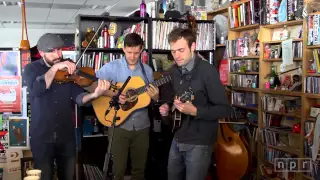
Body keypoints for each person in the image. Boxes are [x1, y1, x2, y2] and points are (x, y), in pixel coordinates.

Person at [23, 33, 110, 180]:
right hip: (42, 137)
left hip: (66, 136)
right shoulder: (31, 69)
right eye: (53, 51)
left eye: (60, 49)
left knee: (68, 176)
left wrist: (95, 94)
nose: (59, 54)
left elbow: (79, 98)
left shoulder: (69, 70)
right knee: (45, 177)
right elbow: (37, 90)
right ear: (42, 52)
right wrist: (55, 68)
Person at [159, 28, 232, 180]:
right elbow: (174, 100)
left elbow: (225, 110)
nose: (176, 56)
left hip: (200, 142)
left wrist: (196, 111)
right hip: (178, 138)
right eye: (173, 51)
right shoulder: (173, 71)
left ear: (193, 47)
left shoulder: (208, 71)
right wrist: (168, 109)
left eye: (181, 50)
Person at [95, 33, 159, 180]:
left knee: (139, 169)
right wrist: (115, 95)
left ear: (142, 49)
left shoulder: (147, 71)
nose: (132, 56)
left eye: (136, 53)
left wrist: (156, 97)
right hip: (118, 124)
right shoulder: (111, 67)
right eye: (129, 52)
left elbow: (149, 98)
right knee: (118, 170)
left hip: (142, 126)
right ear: (123, 49)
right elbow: (92, 86)